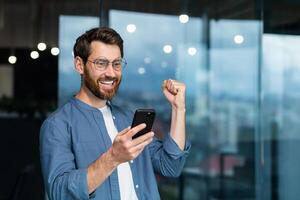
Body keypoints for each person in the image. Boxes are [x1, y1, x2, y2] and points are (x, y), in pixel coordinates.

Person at [40, 27, 190, 200]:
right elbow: (59, 193)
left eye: (116, 64)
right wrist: (113, 157)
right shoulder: (57, 125)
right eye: (101, 63)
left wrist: (179, 108)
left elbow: (171, 166)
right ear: (79, 65)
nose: (111, 73)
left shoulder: (128, 118)